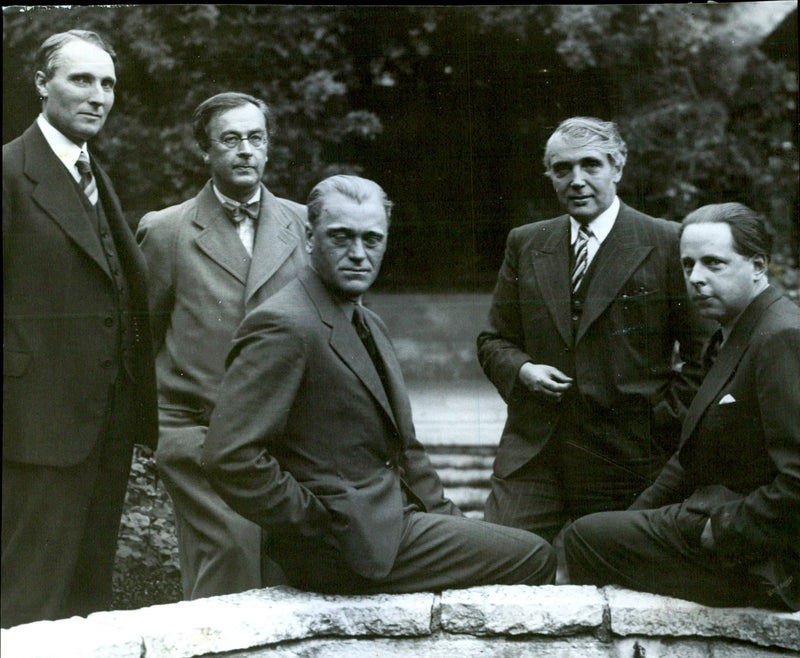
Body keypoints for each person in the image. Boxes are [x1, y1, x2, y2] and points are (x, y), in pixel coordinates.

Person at [201, 175, 556, 593]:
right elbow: (229, 457)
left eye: (372, 240)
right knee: (534, 556)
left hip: (385, 525)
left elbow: (408, 451)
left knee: (511, 548)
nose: (358, 254)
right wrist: (319, 523)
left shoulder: (368, 321)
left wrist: (451, 523)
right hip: (341, 546)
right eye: (341, 238)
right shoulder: (284, 323)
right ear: (310, 238)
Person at [477, 117, 709, 543]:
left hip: (629, 458)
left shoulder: (667, 241)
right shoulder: (526, 243)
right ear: (550, 175)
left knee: (617, 574)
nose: (577, 180)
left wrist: (659, 419)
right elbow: (494, 340)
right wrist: (524, 370)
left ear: (617, 167)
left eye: (591, 165)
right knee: (498, 558)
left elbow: (705, 352)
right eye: (562, 169)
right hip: (536, 453)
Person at [565, 203, 800, 610]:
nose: (696, 279)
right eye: (688, 264)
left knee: (585, 541)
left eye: (714, 264)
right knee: (592, 533)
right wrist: (634, 516)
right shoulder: (733, 333)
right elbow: (687, 457)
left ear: (759, 265)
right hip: (721, 520)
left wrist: (725, 529)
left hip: (767, 558)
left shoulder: (779, 336)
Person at [2, 29, 157, 627]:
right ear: (42, 84)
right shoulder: (11, 172)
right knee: (25, 606)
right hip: (33, 432)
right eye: (81, 79)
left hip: (104, 431)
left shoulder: (93, 175)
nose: (99, 96)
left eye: (108, 83)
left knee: (87, 613)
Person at [136, 92, 308, 599]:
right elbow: (141, 338)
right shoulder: (167, 231)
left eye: (255, 138)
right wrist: (160, 431)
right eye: (230, 139)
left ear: (269, 146)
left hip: (287, 440)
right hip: (200, 435)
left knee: (289, 574)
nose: (245, 151)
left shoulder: (304, 225)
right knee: (229, 559)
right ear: (204, 151)